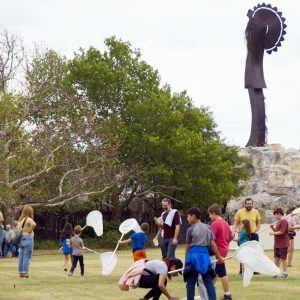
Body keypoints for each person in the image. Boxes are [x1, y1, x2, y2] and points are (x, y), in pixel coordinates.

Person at [184, 206, 224, 300]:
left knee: (190, 283)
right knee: (208, 282)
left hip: (192, 257)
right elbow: (213, 245)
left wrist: (186, 262)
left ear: (193, 216)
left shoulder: (190, 230)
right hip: (204, 257)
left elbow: (187, 248)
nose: (187, 218)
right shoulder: (208, 227)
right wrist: (219, 258)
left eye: (188, 216)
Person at [208, 204, 233, 300]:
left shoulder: (214, 224)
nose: (209, 217)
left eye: (210, 214)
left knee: (221, 272)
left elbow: (211, 239)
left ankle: (227, 295)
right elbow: (231, 236)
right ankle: (209, 290)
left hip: (217, 251)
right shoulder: (225, 222)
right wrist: (226, 243)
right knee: (216, 272)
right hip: (224, 249)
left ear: (214, 213)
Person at [233, 197, 261, 275]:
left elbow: (258, 223)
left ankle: (254, 269)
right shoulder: (239, 212)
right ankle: (242, 270)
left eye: (250, 204)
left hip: (253, 235)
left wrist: (256, 230)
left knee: (254, 252)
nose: (249, 205)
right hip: (243, 235)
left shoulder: (256, 212)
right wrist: (235, 231)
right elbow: (235, 223)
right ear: (245, 204)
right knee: (242, 252)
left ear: (252, 204)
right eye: (247, 203)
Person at [269, 208, 289, 279]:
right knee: (276, 258)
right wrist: (272, 228)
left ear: (279, 213)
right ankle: (275, 273)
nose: (275, 216)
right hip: (277, 243)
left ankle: (285, 273)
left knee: (283, 258)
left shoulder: (284, 221)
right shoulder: (278, 222)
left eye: (275, 215)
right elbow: (277, 231)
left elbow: (282, 232)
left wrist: (273, 233)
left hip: (283, 243)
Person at [17, 205, 36, 278]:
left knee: (21, 256)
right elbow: (34, 224)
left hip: (22, 238)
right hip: (28, 238)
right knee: (27, 256)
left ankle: (21, 272)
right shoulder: (28, 219)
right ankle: (25, 272)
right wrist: (30, 230)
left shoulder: (20, 220)